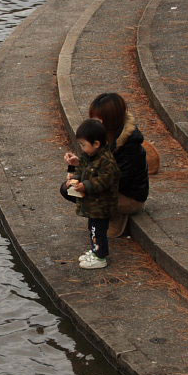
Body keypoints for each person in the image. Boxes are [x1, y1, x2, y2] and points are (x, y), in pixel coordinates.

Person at [63, 92, 149, 237]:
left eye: (97, 119)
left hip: (129, 195)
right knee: (66, 189)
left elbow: (115, 179)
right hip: (109, 185)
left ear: (109, 120)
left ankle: (113, 215)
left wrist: (86, 184)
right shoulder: (103, 135)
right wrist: (77, 164)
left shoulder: (129, 146)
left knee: (83, 191)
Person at [63, 118, 120, 270]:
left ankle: (100, 256)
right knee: (92, 228)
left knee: (98, 230)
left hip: (101, 205)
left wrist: (85, 186)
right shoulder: (89, 156)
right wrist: (74, 178)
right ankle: (95, 251)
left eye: (83, 145)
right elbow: (81, 170)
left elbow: (103, 181)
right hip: (93, 204)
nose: (82, 148)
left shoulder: (107, 161)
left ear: (96, 144)